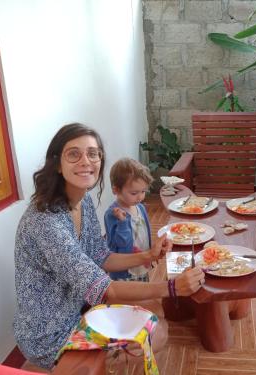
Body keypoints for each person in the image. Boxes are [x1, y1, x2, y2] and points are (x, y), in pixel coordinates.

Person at [13, 123, 205, 370]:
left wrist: (147, 255)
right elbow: (107, 290)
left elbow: (101, 256)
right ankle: (77, 365)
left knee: (155, 313)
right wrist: (173, 287)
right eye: (74, 154)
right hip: (49, 333)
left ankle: (92, 361)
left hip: (79, 307)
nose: (86, 161)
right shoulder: (45, 222)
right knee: (158, 333)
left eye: (93, 153)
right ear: (57, 164)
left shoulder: (84, 201)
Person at [104, 158, 153, 281]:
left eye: (143, 191)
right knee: (127, 300)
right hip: (124, 273)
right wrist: (123, 223)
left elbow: (145, 234)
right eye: (134, 193)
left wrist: (151, 254)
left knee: (144, 294)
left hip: (141, 264)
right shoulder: (112, 214)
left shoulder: (140, 207)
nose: (140, 197)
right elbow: (121, 246)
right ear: (116, 190)